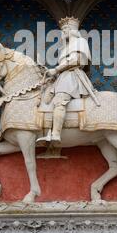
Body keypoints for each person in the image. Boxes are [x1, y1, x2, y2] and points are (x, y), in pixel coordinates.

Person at [37, 16, 99, 145]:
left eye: (66, 28)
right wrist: (51, 74)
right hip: (63, 77)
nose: (63, 31)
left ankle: (55, 134)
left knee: (60, 100)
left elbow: (77, 60)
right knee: (46, 98)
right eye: (62, 29)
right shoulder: (64, 47)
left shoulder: (80, 42)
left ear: (72, 30)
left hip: (73, 76)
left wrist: (56, 69)